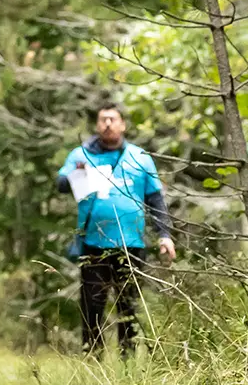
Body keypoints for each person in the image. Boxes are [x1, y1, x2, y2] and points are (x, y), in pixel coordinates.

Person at [56, 102, 175, 356]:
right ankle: (93, 359)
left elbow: (155, 200)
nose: (107, 124)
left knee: (128, 307)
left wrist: (164, 235)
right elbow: (61, 184)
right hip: (93, 244)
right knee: (92, 307)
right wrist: (79, 175)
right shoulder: (82, 155)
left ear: (123, 124)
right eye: (102, 119)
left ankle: (127, 360)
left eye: (112, 119)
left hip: (132, 243)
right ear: (96, 125)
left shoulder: (140, 157)